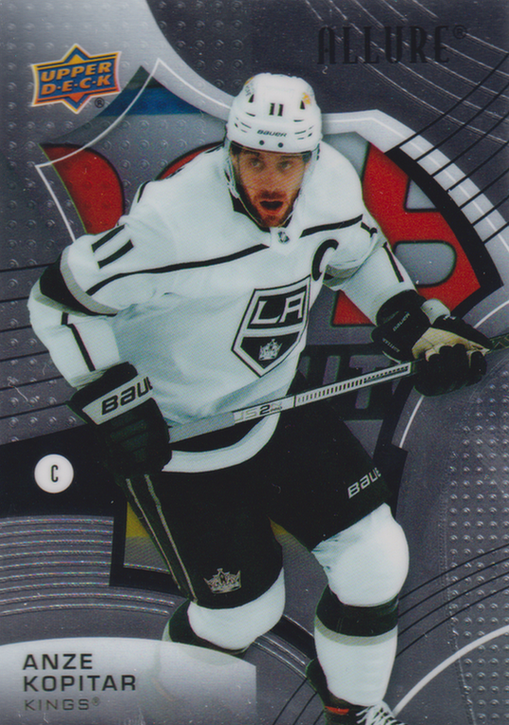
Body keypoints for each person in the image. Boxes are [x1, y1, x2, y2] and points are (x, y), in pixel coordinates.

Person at [28, 73, 491, 724]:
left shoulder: (331, 185)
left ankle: (354, 709)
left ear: (310, 157)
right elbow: (59, 302)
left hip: (277, 404)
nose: (271, 182)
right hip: (181, 439)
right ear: (231, 153)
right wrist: (114, 398)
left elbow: (358, 258)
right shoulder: (171, 221)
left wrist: (416, 326)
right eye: (255, 161)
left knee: (375, 558)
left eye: (287, 163)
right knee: (244, 614)